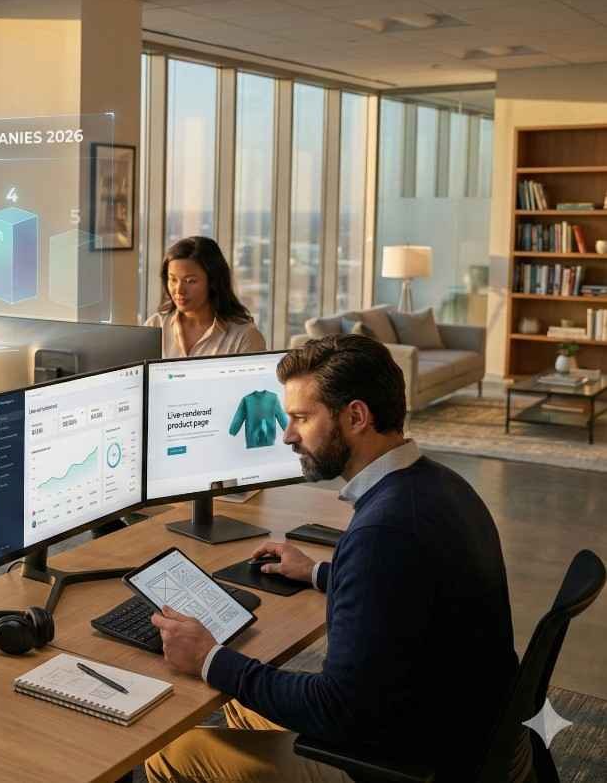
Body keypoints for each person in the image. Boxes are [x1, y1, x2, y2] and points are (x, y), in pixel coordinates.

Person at [144, 334, 526, 783]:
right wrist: (321, 573)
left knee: (177, 752)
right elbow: (407, 590)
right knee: (240, 703)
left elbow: (336, 708)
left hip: (407, 763)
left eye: (302, 418)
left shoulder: (382, 533)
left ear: (356, 416)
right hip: (465, 732)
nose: (287, 436)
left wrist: (210, 657)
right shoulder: (442, 486)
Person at [145, 236, 266, 358]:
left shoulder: (244, 337)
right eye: (173, 280)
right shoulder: (155, 325)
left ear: (213, 282)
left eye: (190, 281)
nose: (179, 290)